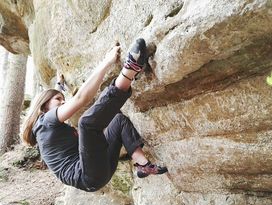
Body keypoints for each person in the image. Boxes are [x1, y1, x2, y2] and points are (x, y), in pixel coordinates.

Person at [22, 38, 167, 192]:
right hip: (87, 175)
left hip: (100, 168)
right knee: (86, 124)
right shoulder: (45, 122)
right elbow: (80, 98)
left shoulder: (45, 127)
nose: (63, 103)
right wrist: (107, 61)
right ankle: (130, 70)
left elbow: (57, 103)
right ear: (43, 106)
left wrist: (59, 86)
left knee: (118, 120)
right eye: (59, 99)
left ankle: (142, 165)